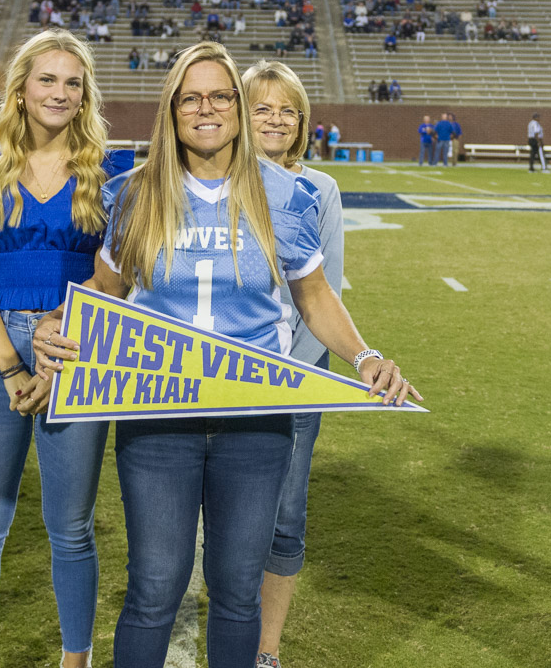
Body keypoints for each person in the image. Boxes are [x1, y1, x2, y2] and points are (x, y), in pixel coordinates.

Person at [27, 42, 418, 668]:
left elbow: (314, 298)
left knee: (238, 594)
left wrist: (365, 356)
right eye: (191, 97)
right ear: (172, 110)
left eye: (219, 95)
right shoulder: (134, 194)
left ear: (236, 106)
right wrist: (54, 325)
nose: (205, 108)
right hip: (157, 414)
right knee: (154, 588)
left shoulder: (288, 195)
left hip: (255, 419)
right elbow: (105, 294)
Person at [0, 28, 133, 668]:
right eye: (47, 79)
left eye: (73, 82)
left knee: (71, 529)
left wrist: (61, 351)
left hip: (80, 356)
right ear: (21, 91)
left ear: (85, 97)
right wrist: (8, 365)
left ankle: (74, 660)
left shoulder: (113, 173)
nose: (60, 92)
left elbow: (121, 272)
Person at [241, 61, 345, 668]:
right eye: (263, 107)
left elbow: (323, 291)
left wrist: (291, 372)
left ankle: (267, 651)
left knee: (284, 521)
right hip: (217, 380)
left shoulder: (320, 189)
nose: (277, 119)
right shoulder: (214, 181)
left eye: (289, 110)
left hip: (294, 380)